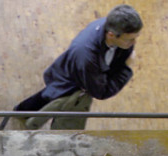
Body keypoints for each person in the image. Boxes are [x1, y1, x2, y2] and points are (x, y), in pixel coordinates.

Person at [11, 5, 143, 130]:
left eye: (135, 38)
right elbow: (101, 92)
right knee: (51, 97)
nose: (133, 44)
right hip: (70, 81)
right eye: (129, 40)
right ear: (111, 35)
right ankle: (23, 113)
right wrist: (126, 69)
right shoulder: (87, 56)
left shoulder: (113, 27)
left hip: (75, 72)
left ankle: (22, 112)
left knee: (47, 95)